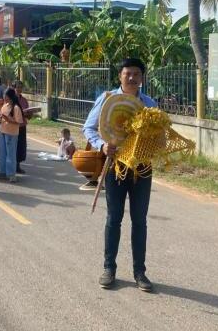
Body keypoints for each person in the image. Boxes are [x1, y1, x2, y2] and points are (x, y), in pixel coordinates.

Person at [82, 58, 156, 292]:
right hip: (115, 167)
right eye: (127, 73)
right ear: (120, 76)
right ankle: (109, 268)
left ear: (142, 78)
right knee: (114, 219)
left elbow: (158, 135)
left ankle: (140, 272)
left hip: (142, 168)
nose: (132, 77)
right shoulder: (107, 99)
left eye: (136, 74)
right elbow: (88, 127)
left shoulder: (150, 104)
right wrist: (102, 146)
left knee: (140, 221)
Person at [0, 87, 24, 183]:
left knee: (10, 154)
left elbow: (19, 122)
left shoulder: (16, 108)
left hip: (11, 134)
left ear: (10, 96)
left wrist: (9, 120)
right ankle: (2, 172)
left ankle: (11, 174)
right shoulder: (5, 106)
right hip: (2, 132)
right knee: (2, 153)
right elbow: (1, 118)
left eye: (6, 96)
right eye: (4, 95)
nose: (4, 97)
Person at [12, 80, 31, 174]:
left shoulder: (24, 100)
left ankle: (17, 165)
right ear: (14, 88)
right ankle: (11, 166)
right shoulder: (11, 99)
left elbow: (28, 116)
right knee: (13, 146)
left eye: (21, 87)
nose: (19, 89)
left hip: (22, 125)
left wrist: (29, 113)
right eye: (17, 87)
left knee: (21, 146)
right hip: (13, 125)